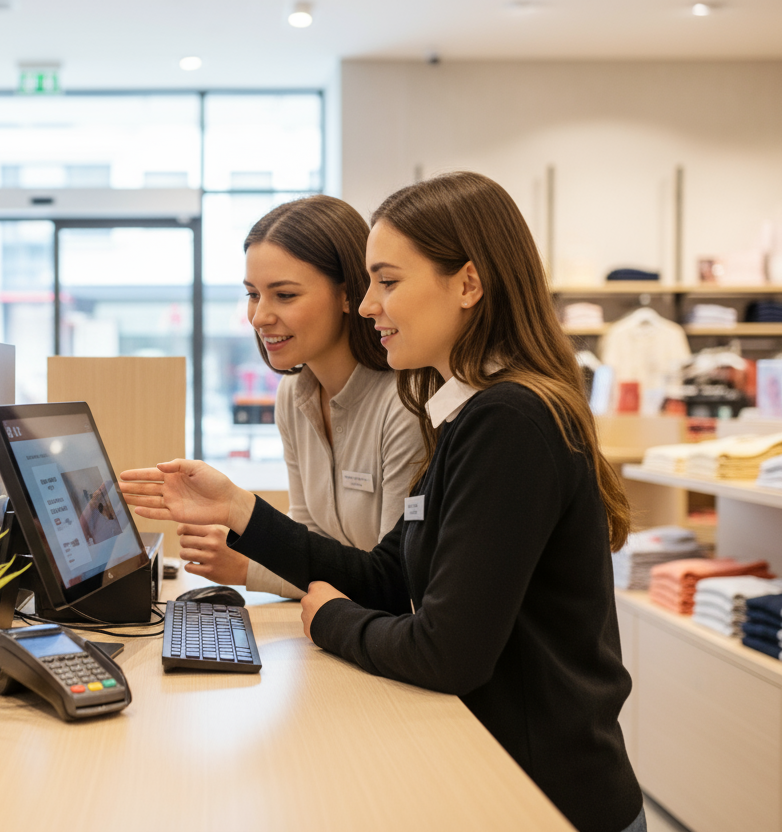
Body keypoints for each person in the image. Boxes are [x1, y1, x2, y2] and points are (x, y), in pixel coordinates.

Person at [120, 172, 645, 832]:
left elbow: (447, 650)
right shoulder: (465, 415)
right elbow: (391, 576)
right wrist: (236, 508)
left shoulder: (510, 420)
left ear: (468, 284)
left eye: (388, 282)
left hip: (543, 797)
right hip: (496, 773)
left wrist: (330, 619)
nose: (368, 306)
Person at [180, 195, 420, 599]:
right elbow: (311, 536)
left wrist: (249, 569)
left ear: (349, 294)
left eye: (284, 295)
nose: (259, 317)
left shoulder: (405, 403)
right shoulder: (294, 395)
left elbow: (393, 582)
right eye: (253, 294)